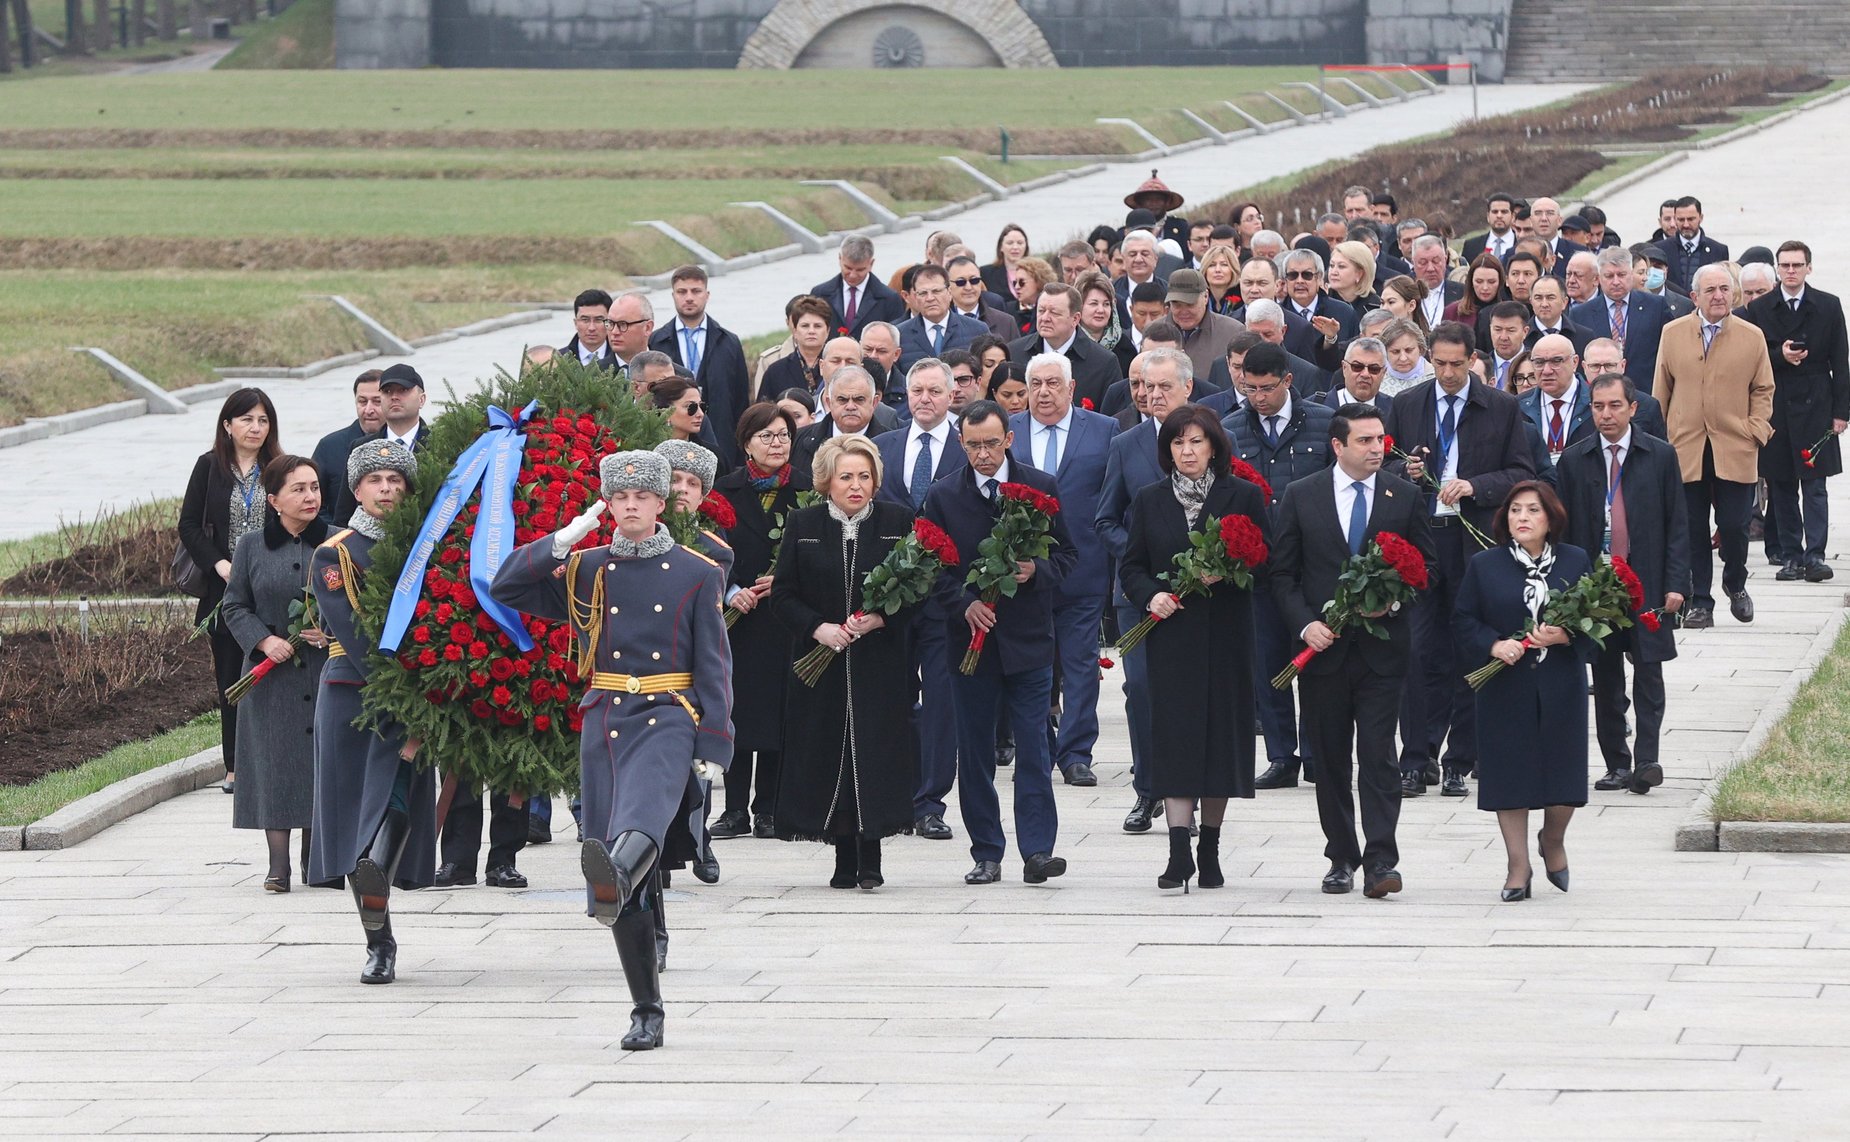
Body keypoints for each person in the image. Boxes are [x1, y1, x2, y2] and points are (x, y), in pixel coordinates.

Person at [490, 450, 733, 1051]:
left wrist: (716, 742)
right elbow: (506, 585)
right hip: (604, 718)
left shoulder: (697, 571)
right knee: (619, 863)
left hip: (667, 715)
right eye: (619, 498)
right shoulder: (586, 567)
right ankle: (646, 1008)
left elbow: (714, 665)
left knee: (638, 830)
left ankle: (614, 878)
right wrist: (562, 540)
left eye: (641, 497)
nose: (630, 506)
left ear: (659, 503)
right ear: (608, 504)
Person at [1270, 404, 1432, 897]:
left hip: (1383, 654)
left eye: (1380, 439)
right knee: (1331, 757)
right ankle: (1341, 854)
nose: (1376, 449)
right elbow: (1282, 574)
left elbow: (1427, 570)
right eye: (1364, 441)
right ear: (1338, 446)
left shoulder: (1403, 495)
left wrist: (1394, 600)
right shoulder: (1302, 496)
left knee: (1379, 754)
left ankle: (1381, 860)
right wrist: (1305, 626)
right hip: (1325, 652)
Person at [924, 400, 1078, 886]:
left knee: (1033, 746)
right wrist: (963, 602)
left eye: (992, 444)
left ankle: (1037, 850)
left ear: (1009, 439)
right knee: (974, 751)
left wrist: (1038, 571)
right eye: (973, 446)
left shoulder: (1039, 487)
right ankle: (987, 850)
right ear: (960, 444)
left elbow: (1071, 555)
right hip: (970, 644)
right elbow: (931, 567)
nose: (983, 455)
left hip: (1029, 642)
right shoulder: (943, 495)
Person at [1384, 322, 1535, 799]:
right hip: (1424, 538)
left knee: (1470, 647)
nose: (1448, 373)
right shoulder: (1408, 404)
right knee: (1417, 648)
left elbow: (1522, 473)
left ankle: (1459, 759)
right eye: (1440, 363)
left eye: (1457, 364)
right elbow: (1383, 462)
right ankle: (1416, 756)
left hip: (1473, 540)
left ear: (1473, 359)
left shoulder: (1502, 407)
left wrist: (1475, 486)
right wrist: (1403, 471)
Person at [306, 439, 438, 986]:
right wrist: (408, 695)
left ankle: (378, 890)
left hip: (414, 696)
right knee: (357, 821)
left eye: (395, 480)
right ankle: (378, 942)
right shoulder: (334, 554)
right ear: (357, 489)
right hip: (354, 697)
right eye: (375, 480)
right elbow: (353, 631)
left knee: (396, 805)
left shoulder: (427, 545)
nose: (386, 488)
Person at [1120, 405, 1266, 891]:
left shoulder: (1241, 495)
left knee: (1220, 742)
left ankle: (1210, 847)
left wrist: (1227, 572)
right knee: (1177, 739)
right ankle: (1178, 850)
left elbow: (1266, 560)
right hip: (1172, 638)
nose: (1187, 451)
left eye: (1196, 442)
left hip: (1225, 636)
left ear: (1214, 447)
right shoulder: (1148, 499)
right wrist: (1151, 596)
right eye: (1178, 443)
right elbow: (1132, 566)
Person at [768, 434, 920, 889]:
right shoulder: (804, 522)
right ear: (826, 482)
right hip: (821, 660)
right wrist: (819, 628)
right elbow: (783, 594)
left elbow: (919, 588)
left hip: (879, 662)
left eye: (864, 476)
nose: (856, 485)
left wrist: (881, 618)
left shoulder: (899, 521)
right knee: (829, 750)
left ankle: (871, 854)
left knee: (873, 751)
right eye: (846, 476)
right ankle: (841, 853)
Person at [1450, 480, 1591, 900]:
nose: (1522, 518)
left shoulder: (1575, 561)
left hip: (1560, 683)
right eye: (1515, 511)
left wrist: (1566, 637)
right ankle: (1517, 866)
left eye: (1532, 510)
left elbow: (1601, 619)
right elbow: (1462, 620)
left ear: (1551, 518)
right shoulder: (1485, 565)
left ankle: (1552, 839)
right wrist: (1493, 644)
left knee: (1564, 776)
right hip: (1504, 686)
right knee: (1509, 775)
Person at [1557, 373, 1689, 795]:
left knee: (1648, 669)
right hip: (1597, 587)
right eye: (1598, 406)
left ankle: (1647, 759)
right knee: (1606, 674)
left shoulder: (1660, 455)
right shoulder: (1575, 460)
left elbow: (1678, 524)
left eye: (1615, 406)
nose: (1606, 414)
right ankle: (1616, 761)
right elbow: (1565, 530)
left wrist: (1676, 584)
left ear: (1633, 408)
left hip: (1646, 581)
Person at [1222, 343, 1333, 788]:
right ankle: (1281, 755)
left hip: (1311, 564)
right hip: (1260, 566)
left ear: (1288, 380)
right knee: (1268, 661)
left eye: (1267, 388)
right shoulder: (1231, 430)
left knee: (1314, 660)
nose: (1258, 398)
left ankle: (1318, 752)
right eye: (1250, 389)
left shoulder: (1324, 424)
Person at [1010, 352, 1120, 787]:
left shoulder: (1105, 430)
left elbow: (1112, 498)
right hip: (1022, 571)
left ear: (1072, 389)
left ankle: (1076, 753)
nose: (1044, 392)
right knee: (1029, 665)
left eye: (1053, 383)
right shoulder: (1009, 431)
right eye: (1035, 383)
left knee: (1079, 665)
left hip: (1083, 568)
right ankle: (1036, 747)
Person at [220, 454, 329, 892]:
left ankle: (316, 862)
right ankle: (278, 866)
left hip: (324, 668)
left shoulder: (337, 541)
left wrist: (329, 630)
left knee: (321, 765)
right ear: (274, 499)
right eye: (298, 489)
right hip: (270, 676)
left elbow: (358, 603)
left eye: (315, 487)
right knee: (275, 764)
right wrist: (264, 640)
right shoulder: (251, 546)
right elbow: (233, 604)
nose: (309, 496)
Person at [1097, 348, 1193, 832]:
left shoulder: (1211, 440)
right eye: (1145, 387)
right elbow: (1106, 519)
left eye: (1163, 387)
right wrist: (1137, 556)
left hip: (1198, 591)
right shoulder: (1126, 443)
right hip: (1136, 593)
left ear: (1187, 390)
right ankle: (1148, 790)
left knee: (1190, 691)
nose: (1152, 395)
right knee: (1141, 689)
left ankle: (1189, 793)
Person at [872, 359, 966, 840]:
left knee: (941, 700)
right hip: (892, 597)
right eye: (916, 391)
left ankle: (930, 800)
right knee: (895, 696)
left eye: (934, 391)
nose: (924, 399)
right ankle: (897, 794)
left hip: (948, 597)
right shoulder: (883, 447)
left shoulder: (966, 447)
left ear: (951, 395)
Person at [1655, 264, 1777, 628]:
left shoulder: (1751, 336)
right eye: (1710, 290)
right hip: (1686, 445)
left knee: (1735, 524)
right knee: (1692, 527)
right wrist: (1660, 439)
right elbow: (1661, 389)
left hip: (1735, 442)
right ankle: (1700, 603)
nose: (1719, 296)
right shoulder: (1673, 333)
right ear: (1695, 297)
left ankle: (1735, 583)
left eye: (1725, 288)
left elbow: (1764, 388)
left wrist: (1755, 429)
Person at [709, 403, 808, 841]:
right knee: (739, 711)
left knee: (779, 714)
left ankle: (769, 807)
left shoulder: (807, 490)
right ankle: (733, 810)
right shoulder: (723, 490)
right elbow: (707, 548)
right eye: (766, 436)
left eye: (783, 435)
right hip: (738, 618)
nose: (776, 443)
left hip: (784, 617)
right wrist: (731, 590)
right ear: (746, 442)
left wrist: (785, 580)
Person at [179, 387, 282, 796]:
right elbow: (188, 525)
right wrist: (220, 563)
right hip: (223, 593)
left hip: (271, 587)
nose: (255, 428)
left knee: (274, 678)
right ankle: (235, 766)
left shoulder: (279, 466)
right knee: (229, 679)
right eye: (246, 420)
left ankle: (273, 761)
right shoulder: (209, 467)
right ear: (228, 425)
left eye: (262, 420)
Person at [1744, 240, 1849, 582]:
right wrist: (1780, 356)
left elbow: (1841, 362)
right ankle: (1791, 555)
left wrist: (1841, 412)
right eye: (1785, 266)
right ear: (1777, 268)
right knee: (1782, 485)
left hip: (1816, 401)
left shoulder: (1828, 305)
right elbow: (1753, 358)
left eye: (1797, 265)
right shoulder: (1760, 308)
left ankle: (1815, 554)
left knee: (1815, 485)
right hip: (1776, 405)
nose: (1791, 271)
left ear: (1808, 268)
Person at [648, 265, 750, 467]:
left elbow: (740, 401)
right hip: (670, 443)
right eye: (682, 291)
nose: (689, 297)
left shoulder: (728, 341)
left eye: (695, 291)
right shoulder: (657, 341)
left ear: (707, 294)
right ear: (673, 295)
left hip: (722, 442)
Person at [1571, 247, 1673, 396]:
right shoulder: (1580, 314)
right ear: (1598, 278)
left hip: (1645, 394)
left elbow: (1668, 352)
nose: (1616, 281)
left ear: (1631, 274)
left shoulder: (1656, 307)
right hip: (1597, 398)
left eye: (1621, 275)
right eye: (1609, 276)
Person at [1008, 282, 1122, 409]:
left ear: (1075, 319)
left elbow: (1113, 417)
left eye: (1054, 313)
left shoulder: (1104, 362)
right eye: (1041, 311)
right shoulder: (1014, 353)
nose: (1045, 318)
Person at [311, 370, 384, 527]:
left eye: (377, 401)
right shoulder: (329, 447)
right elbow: (313, 501)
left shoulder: (401, 444)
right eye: (362, 402)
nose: (369, 410)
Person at [896, 263, 988, 379]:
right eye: (923, 293)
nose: (930, 298)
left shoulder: (977, 330)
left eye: (936, 291)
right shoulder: (899, 335)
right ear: (915, 296)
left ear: (949, 293)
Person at [811, 234, 906, 337]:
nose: (852, 275)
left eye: (860, 270)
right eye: (848, 268)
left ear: (871, 264)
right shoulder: (820, 294)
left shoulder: (889, 299)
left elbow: (895, 339)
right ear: (840, 258)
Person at [753, 295, 834, 402]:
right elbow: (763, 411)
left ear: (828, 331)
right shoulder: (775, 371)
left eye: (817, 326)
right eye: (805, 326)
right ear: (794, 330)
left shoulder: (837, 365)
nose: (811, 331)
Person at [1664, 196, 1729, 292]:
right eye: (1681, 220)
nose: (1686, 225)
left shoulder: (1718, 250)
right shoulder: (1662, 249)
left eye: (1690, 219)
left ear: (1701, 218)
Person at [562, 288, 616, 369]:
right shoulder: (559, 360)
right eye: (585, 320)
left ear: (609, 323)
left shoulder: (622, 359)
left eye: (598, 320)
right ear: (576, 323)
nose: (591, 328)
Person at [1379, 318, 1434, 396]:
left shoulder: (1436, 378)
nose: (1403, 358)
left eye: (1409, 350)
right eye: (1395, 352)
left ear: (1420, 349)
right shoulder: (1376, 378)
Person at [1328, 240, 1382, 315]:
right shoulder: (1319, 301)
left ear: (1359, 273)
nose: (1333, 272)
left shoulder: (1376, 307)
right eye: (1331, 265)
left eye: (1341, 266)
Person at [1462, 192, 1518, 263]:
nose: (1499, 215)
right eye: (1495, 212)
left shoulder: (1521, 245)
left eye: (1504, 212)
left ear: (1513, 217)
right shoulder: (1471, 246)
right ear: (1488, 216)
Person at [652, 377, 707, 444]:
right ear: (666, 412)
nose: (700, 414)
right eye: (690, 407)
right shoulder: (643, 449)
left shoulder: (711, 453)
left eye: (701, 406)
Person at [983, 223, 1030, 300]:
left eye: (1020, 243)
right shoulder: (986, 273)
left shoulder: (1036, 273)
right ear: (1001, 247)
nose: (1015, 247)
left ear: (1026, 246)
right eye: (1010, 243)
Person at [1008, 257, 1057, 331]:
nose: (1016, 287)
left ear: (1039, 281)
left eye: (1022, 282)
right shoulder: (1008, 309)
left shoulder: (1051, 310)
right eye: (1015, 282)